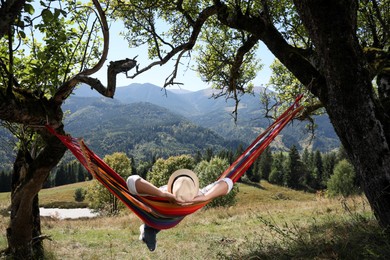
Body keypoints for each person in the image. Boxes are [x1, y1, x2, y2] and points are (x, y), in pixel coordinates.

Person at [126, 169, 233, 251]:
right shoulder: (198, 195)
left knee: (159, 214)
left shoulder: (162, 195)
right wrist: (206, 196)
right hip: (165, 216)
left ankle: (148, 229)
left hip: (160, 214)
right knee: (159, 215)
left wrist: (162, 194)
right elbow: (227, 182)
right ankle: (149, 229)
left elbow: (131, 181)